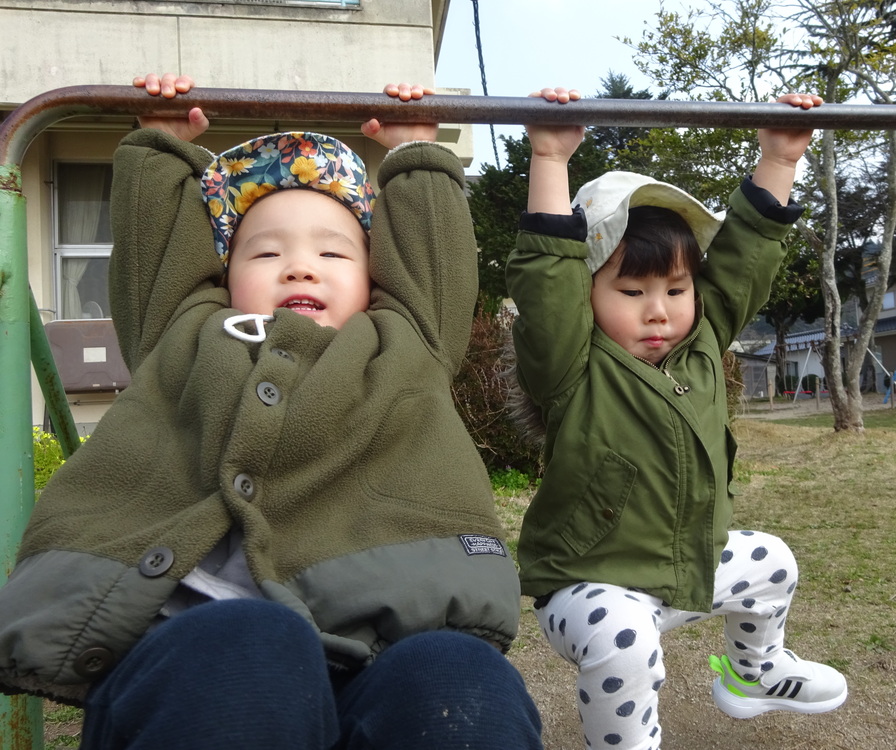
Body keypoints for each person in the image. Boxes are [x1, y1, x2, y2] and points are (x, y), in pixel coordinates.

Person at [0, 74, 542, 750]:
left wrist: (415, 152)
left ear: (376, 279)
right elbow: (155, 258)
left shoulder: (405, 341)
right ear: (224, 277)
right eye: (266, 252)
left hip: (374, 644)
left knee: (459, 677)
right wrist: (161, 145)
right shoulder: (185, 332)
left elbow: (434, 262)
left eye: (333, 251)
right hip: (196, 651)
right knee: (252, 641)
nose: (299, 267)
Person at [506, 86, 846, 750]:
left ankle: (753, 672)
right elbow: (548, 284)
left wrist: (778, 159)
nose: (658, 311)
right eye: (632, 292)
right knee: (626, 647)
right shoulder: (571, 365)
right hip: (590, 585)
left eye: (676, 289)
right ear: (589, 295)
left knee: (771, 562)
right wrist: (549, 156)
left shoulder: (702, 340)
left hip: (681, 566)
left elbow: (746, 259)